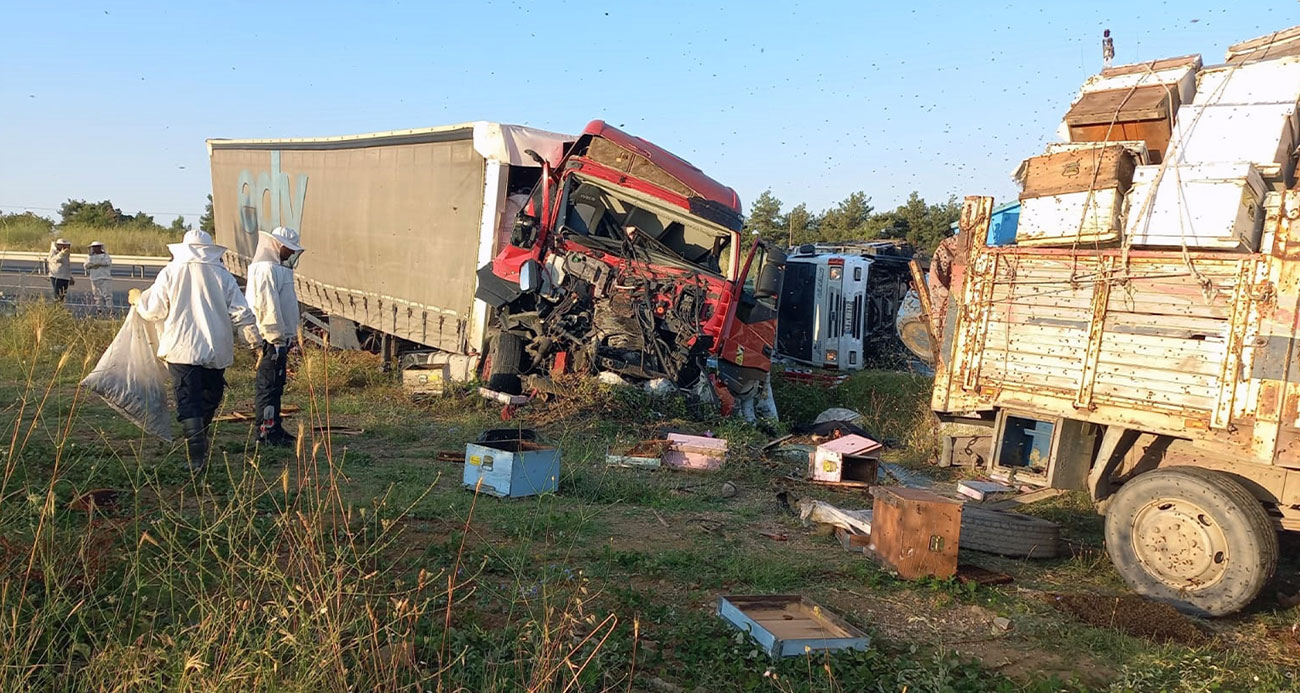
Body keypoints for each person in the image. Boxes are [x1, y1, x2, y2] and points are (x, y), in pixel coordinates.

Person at [133, 230, 259, 471]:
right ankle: (199, 448)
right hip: (215, 348)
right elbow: (241, 311)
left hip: (181, 348)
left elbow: (154, 311)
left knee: (188, 400)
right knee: (210, 396)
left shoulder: (170, 272)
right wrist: (253, 340)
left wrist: (140, 302)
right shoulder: (222, 273)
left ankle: (196, 455)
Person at [245, 226, 304, 447]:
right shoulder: (264, 269)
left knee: (276, 385)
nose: (291, 254)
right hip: (272, 339)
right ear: (278, 246)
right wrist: (276, 338)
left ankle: (274, 427)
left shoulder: (275, 268)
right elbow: (266, 307)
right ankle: (266, 432)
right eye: (289, 249)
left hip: (280, 338)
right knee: (268, 386)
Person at [84, 241, 113, 310]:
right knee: (97, 295)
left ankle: (110, 309)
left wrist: (96, 264)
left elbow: (107, 263)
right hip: (94, 278)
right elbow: (86, 265)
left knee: (107, 294)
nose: (95, 249)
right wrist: (93, 264)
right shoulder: (90, 257)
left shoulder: (105, 256)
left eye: (97, 247)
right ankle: (99, 308)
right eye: (94, 247)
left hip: (105, 277)